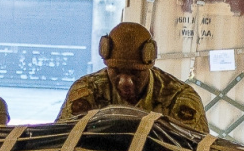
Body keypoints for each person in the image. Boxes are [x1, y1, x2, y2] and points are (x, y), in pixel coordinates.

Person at [57, 22, 208, 133]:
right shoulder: (88, 91)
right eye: (116, 71)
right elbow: (60, 143)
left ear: (149, 66)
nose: (125, 82)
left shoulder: (178, 98)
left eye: (135, 73)